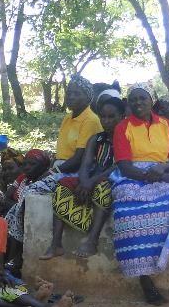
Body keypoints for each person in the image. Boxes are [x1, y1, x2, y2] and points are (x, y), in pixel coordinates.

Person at [110, 84, 169, 305]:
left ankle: (159, 260)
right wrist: (161, 176)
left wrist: (163, 169)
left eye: (142, 98)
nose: (138, 103)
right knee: (127, 213)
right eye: (133, 99)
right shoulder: (122, 127)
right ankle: (144, 279)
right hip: (132, 177)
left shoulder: (165, 124)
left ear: (151, 100)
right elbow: (125, 167)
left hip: (160, 172)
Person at [45, 93, 124, 259]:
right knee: (63, 185)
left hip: (111, 180)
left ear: (122, 117)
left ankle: (92, 241)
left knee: (103, 190)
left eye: (112, 117)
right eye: (103, 117)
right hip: (91, 178)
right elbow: (85, 164)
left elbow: (117, 167)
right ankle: (56, 243)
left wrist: (91, 182)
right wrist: (83, 181)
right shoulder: (96, 139)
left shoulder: (126, 139)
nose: (106, 121)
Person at [4, 149, 56, 271]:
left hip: (29, 221)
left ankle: (15, 259)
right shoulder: (24, 178)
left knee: (16, 216)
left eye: (32, 164)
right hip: (15, 213)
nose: (27, 168)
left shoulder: (47, 182)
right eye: (25, 164)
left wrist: (15, 206)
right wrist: (15, 206)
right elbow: (5, 197)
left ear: (44, 166)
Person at [54, 74, 102, 174]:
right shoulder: (68, 117)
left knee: (34, 189)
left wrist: (52, 172)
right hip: (61, 166)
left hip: (75, 171)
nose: (71, 97)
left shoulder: (90, 120)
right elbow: (61, 153)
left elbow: (78, 160)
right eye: (69, 93)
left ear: (88, 97)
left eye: (77, 93)